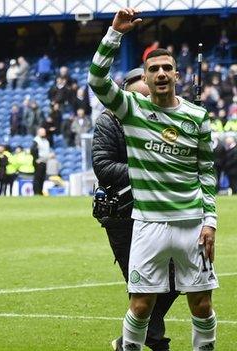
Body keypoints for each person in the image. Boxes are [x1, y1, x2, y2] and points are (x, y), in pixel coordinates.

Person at [89, 9, 218, 350]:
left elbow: (206, 173)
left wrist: (211, 222)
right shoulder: (131, 109)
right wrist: (114, 34)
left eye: (166, 68)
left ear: (177, 74)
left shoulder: (197, 117)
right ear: (145, 77)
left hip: (192, 224)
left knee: (202, 305)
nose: (161, 74)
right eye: (154, 69)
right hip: (147, 225)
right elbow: (97, 79)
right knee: (141, 305)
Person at [92, 67, 180, 351]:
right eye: (142, 83)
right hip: (121, 213)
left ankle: (135, 339)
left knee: (176, 278)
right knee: (143, 284)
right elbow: (103, 167)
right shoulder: (109, 121)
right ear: (127, 88)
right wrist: (146, 169)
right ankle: (154, 341)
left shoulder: (160, 119)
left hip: (159, 211)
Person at [31, 128, 50, 196]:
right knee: (37, 177)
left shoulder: (45, 140)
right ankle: (36, 192)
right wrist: (36, 159)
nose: (44, 133)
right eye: (42, 132)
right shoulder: (36, 140)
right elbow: (32, 150)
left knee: (42, 177)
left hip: (44, 161)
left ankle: (40, 191)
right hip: (39, 162)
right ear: (38, 133)